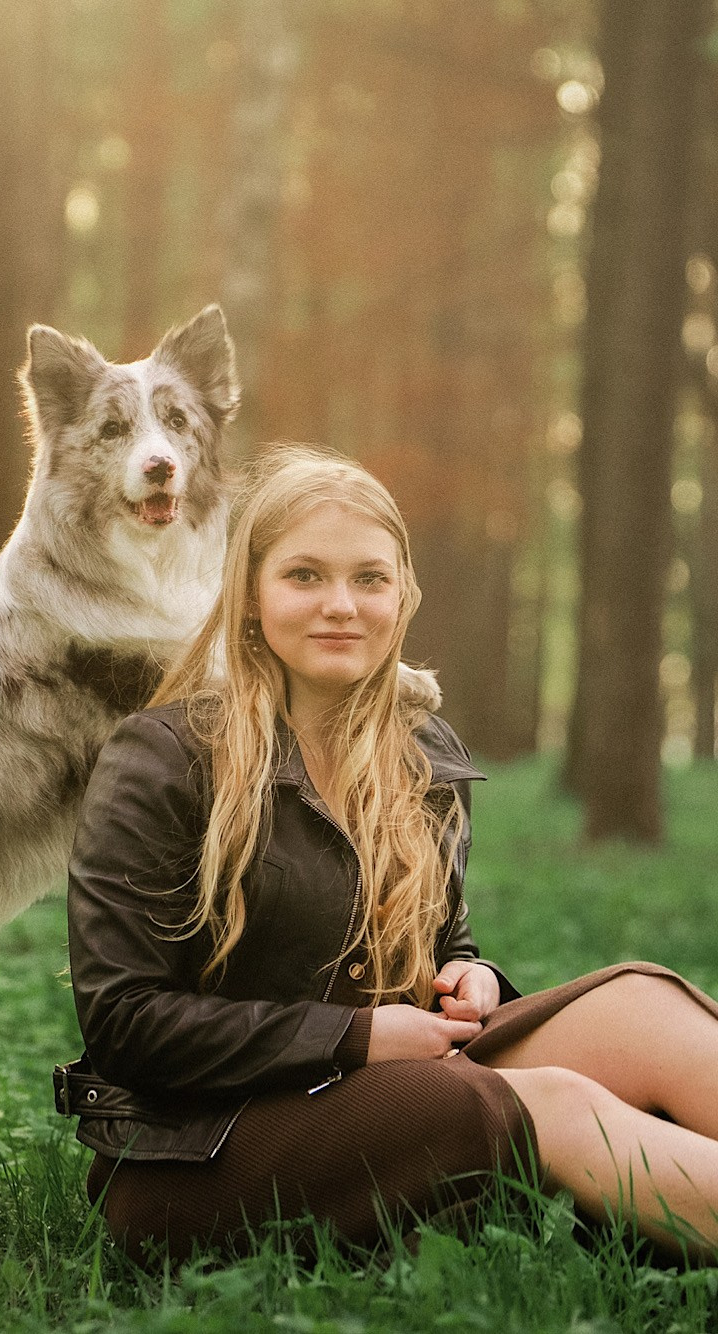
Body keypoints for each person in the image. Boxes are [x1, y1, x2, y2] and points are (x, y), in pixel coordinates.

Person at [54, 444, 718, 1266]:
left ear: (404, 593)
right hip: (196, 1157)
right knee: (550, 1101)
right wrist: (353, 1037)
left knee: (641, 1005)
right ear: (251, 596)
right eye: (304, 576)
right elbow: (126, 1026)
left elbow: (444, 942)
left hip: (394, 1094)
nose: (342, 605)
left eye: (369, 578)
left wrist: (468, 975)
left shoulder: (423, 753)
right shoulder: (162, 758)